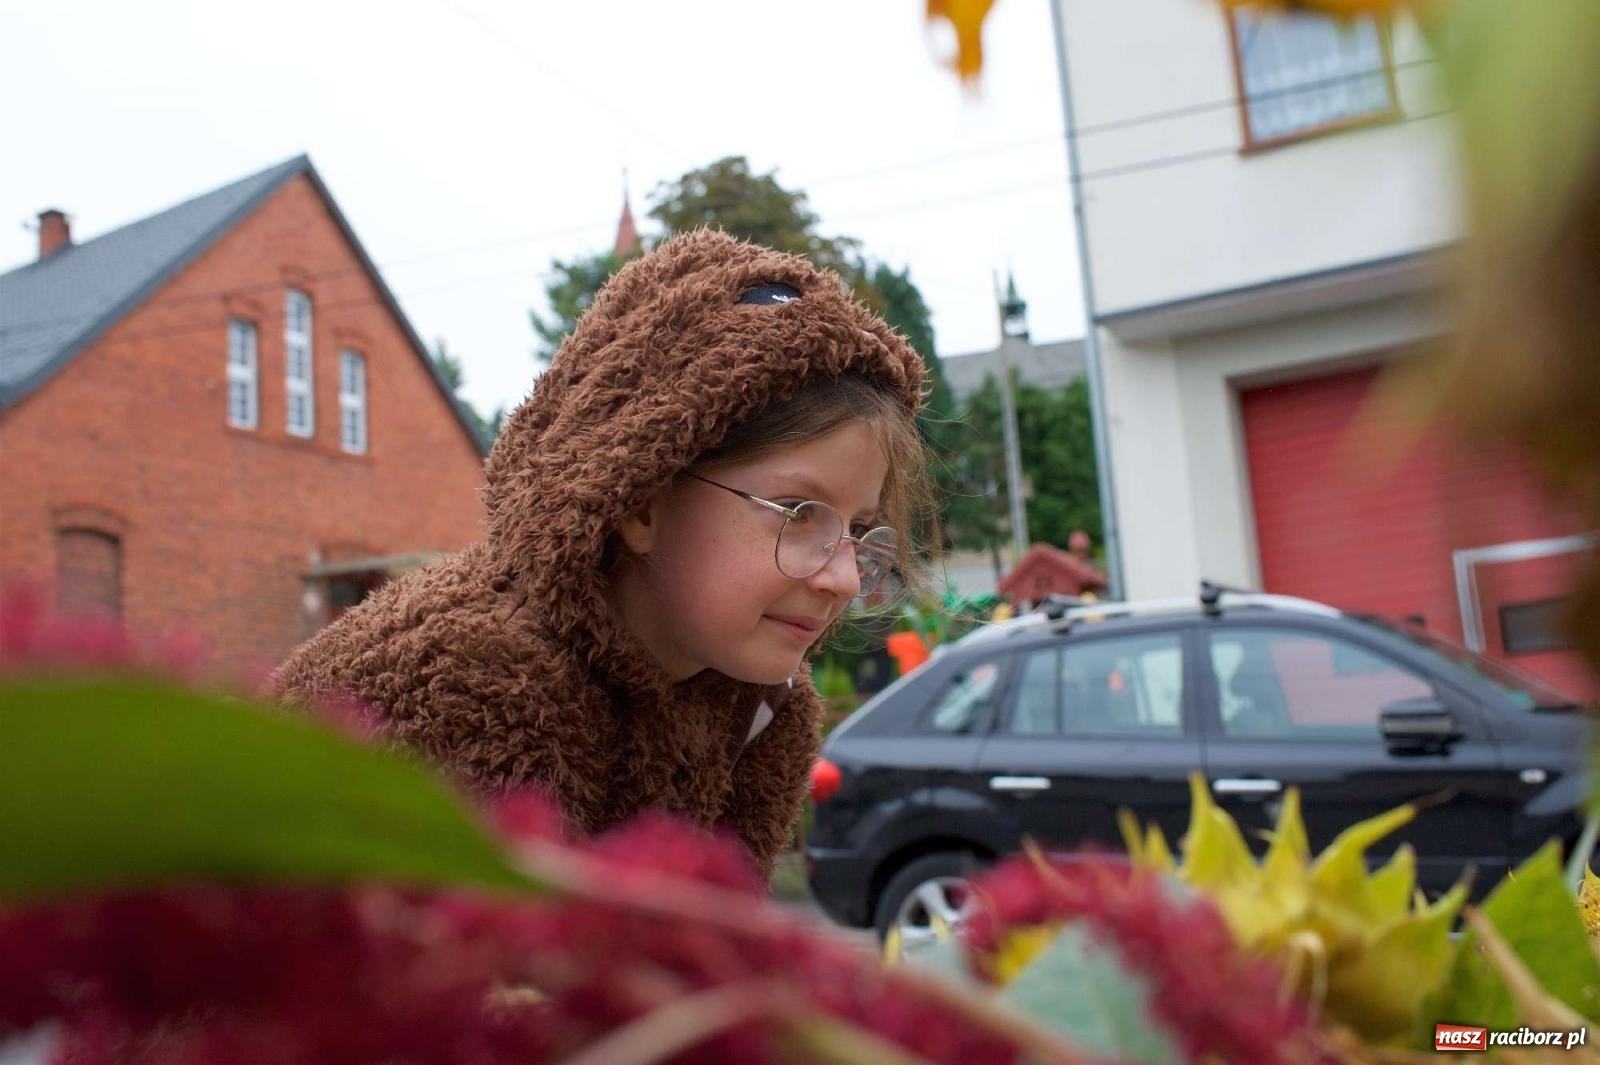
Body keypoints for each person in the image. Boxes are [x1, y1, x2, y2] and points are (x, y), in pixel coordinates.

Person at [272, 229, 934, 878]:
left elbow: (709, 934)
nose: (845, 578)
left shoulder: (765, 710)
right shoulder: (478, 681)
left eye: (858, 530)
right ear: (642, 498)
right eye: (798, 513)